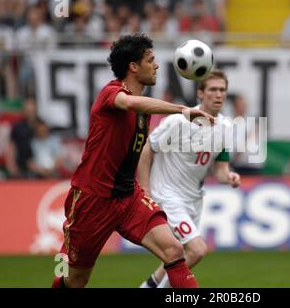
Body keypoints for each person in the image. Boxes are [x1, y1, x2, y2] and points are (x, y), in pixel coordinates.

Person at [51, 33, 214, 288]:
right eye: (151, 60)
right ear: (133, 67)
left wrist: (144, 189)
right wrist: (183, 110)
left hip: (128, 197)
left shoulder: (142, 111)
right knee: (75, 280)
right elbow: (130, 102)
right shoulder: (111, 93)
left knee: (174, 250)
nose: (157, 65)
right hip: (93, 200)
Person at [138, 69, 241, 288]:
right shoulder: (178, 121)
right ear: (200, 94)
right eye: (213, 89)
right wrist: (145, 191)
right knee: (197, 250)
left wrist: (229, 176)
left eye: (222, 90)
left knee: (179, 255)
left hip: (194, 199)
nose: (218, 94)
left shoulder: (226, 127)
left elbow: (220, 169)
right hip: (167, 195)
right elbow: (148, 148)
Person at [4, 98, 37, 178]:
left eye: (31, 110)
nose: (30, 112)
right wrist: (11, 164)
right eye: (27, 109)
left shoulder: (41, 126)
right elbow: (11, 146)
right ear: (23, 111)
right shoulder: (17, 127)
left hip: (39, 167)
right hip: (21, 167)